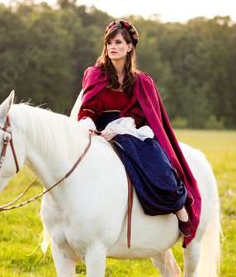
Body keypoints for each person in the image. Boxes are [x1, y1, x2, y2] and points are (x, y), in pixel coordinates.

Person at [72, 20, 201, 247]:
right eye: (109, 42)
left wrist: (118, 128)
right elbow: (88, 108)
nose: (113, 47)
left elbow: (140, 115)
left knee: (157, 162)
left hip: (130, 131)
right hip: (97, 130)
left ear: (130, 47)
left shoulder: (142, 81)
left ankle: (180, 208)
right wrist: (89, 124)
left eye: (118, 42)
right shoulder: (94, 74)